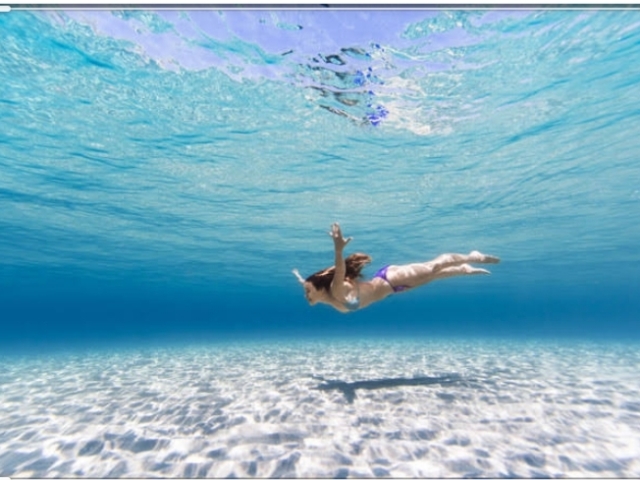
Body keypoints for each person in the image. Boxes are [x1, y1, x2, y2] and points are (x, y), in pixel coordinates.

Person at [292, 223, 500, 313]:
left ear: (319, 288)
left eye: (307, 291)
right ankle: (463, 269)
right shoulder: (326, 296)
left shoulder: (337, 291)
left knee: (433, 267)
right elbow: (314, 282)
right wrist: (302, 279)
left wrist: (338, 250)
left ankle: (471, 256)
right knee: (432, 276)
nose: (305, 295)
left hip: (391, 279)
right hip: (393, 288)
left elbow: (339, 272)